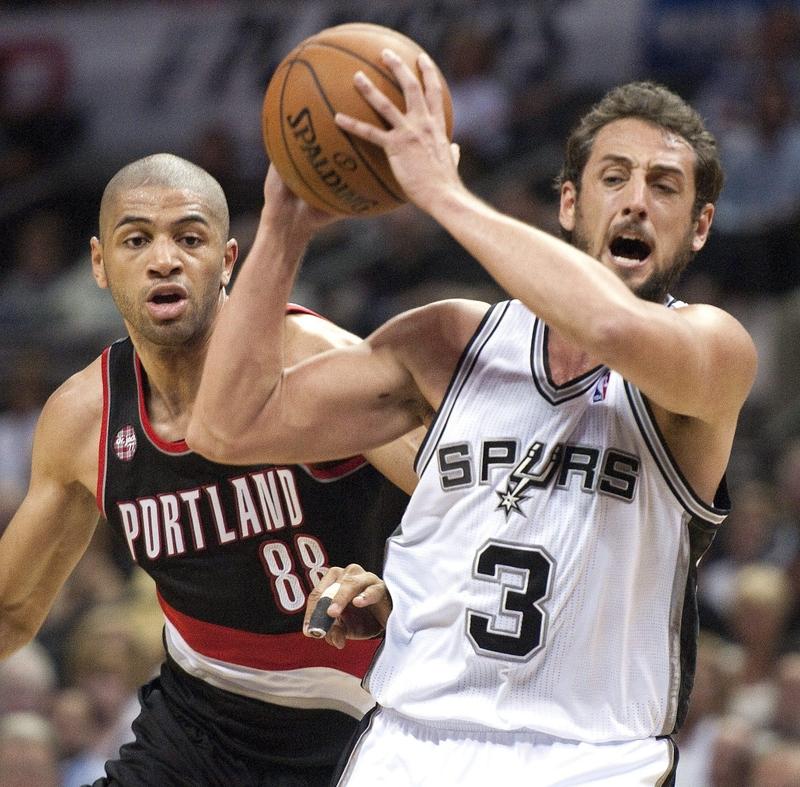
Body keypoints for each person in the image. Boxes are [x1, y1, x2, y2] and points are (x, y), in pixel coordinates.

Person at [187, 52, 757, 786]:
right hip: (409, 746)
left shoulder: (714, 350)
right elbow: (226, 427)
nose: (637, 202)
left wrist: (443, 194)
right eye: (614, 177)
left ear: (701, 226)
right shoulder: (450, 342)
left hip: (594, 761)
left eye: (665, 185)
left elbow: (611, 326)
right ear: (569, 205)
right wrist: (284, 226)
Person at [0, 152, 418, 786]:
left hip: (370, 712)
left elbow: (478, 505)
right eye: (136, 240)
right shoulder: (85, 417)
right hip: (201, 725)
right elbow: (11, 610)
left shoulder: (318, 363)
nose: (164, 259)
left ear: (227, 261)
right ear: (99, 264)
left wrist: (403, 591)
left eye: (189, 239)